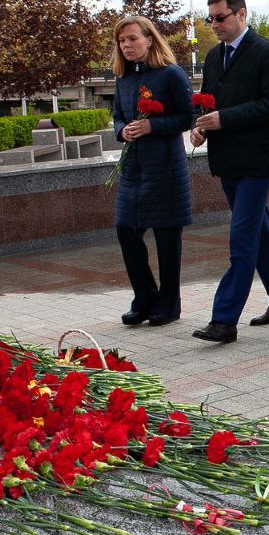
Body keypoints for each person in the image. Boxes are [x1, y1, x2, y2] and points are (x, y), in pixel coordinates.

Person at [190, 0, 269, 344]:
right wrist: (200, 125)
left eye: (220, 18)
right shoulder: (213, 56)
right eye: (211, 19)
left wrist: (224, 120)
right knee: (257, 231)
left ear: (241, 14)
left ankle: (224, 319)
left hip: (255, 160)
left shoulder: (267, 51)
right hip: (226, 160)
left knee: (242, 238)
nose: (215, 25)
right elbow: (207, 102)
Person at [110, 16, 194, 328]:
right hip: (133, 166)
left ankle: (169, 303)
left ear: (149, 39)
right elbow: (117, 116)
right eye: (122, 41)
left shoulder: (171, 74)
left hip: (165, 166)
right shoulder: (123, 77)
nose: (127, 45)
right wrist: (123, 132)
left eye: (132, 39)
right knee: (126, 230)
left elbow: (189, 116)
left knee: (167, 236)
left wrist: (151, 125)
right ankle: (143, 297)